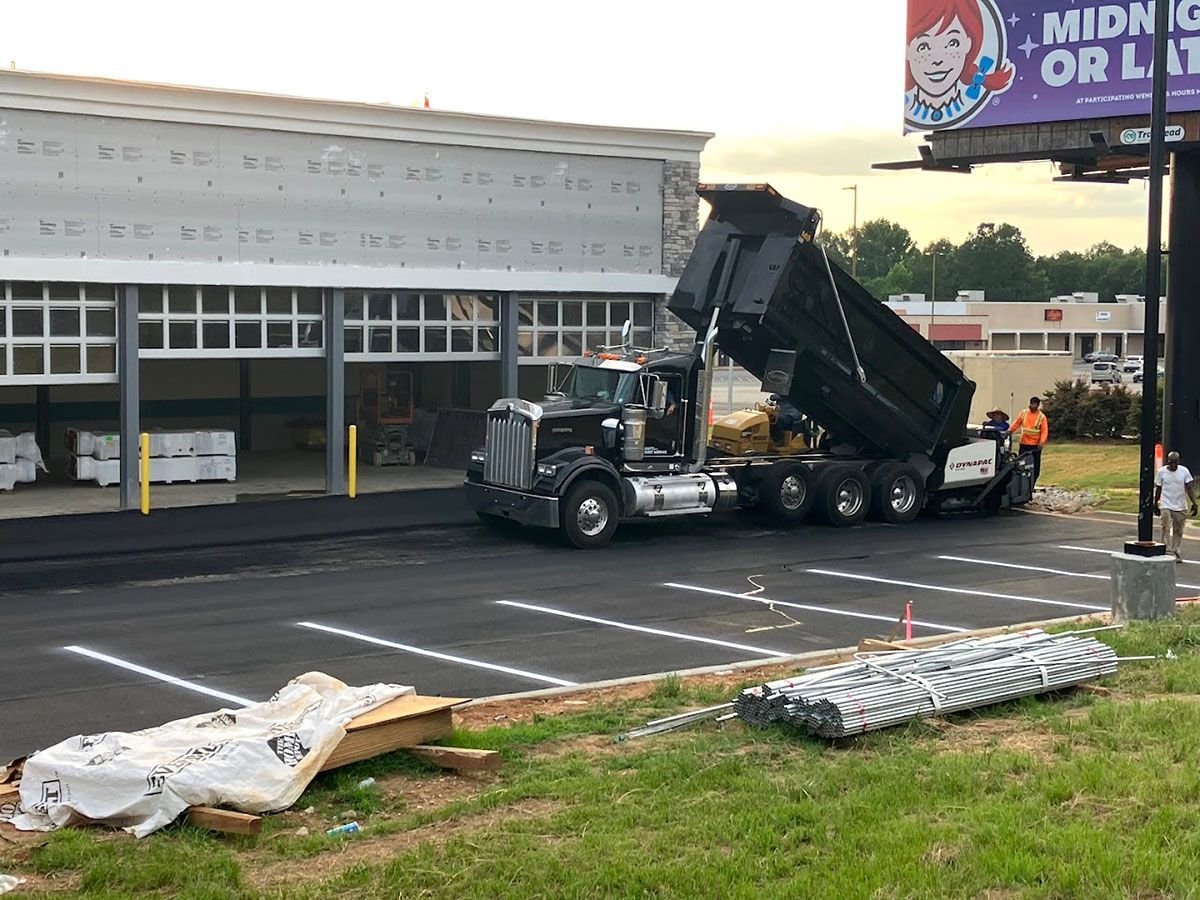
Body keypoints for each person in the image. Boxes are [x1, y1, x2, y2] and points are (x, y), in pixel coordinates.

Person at [1155, 451, 1198, 563]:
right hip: (1166, 504)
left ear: (1178, 462)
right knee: (1165, 526)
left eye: (1174, 462)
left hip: (1180, 505)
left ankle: (1176, 550)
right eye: (1170, 462)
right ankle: (1166, 550)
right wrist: (1155, 503)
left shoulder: (1184, 471)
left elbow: (1189, 488)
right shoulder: (1161, 472)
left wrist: (1194, 503)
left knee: (1178, 530)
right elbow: (1158, 488)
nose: (1172, 464)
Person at [1008, 397, 1048, 486]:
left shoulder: (1041, 417)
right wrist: (1009, 431)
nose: (1032, 406)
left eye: (1034, 404)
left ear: (1037, 405)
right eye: (1031, 403)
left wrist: (1041, 442)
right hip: (1024, 444)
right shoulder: (1024, 413)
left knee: (1035, 467)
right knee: (1020, 465)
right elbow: (1017, 423)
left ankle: (1031, 485)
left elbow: (1044, 431)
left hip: (1035, 446)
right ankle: (1020, 484)